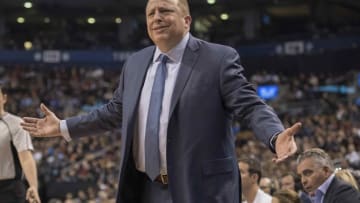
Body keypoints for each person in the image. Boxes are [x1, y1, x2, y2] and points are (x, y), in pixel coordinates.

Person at [21, 0, 302, 202]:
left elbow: (250, 105)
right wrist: (63, 127)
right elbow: (115, 111)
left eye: (165, 10)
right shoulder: (135, 62)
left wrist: (275, 135)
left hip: (199, 189)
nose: (157, 17)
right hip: (145, 188)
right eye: (151, 13)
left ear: (187, 20)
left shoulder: (218, 59)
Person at [0, 85, 41, 203]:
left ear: (4, 98)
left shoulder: (16, 123)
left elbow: (26, 157)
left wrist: (33, 185)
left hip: (9, 189)